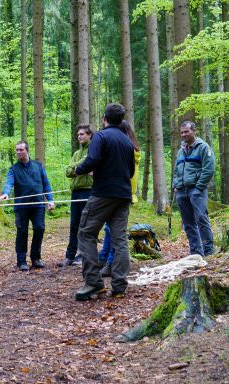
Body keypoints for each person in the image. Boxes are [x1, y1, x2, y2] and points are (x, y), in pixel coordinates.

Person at [73, 103, 135, 300]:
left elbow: (92, 159)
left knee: (85, 233)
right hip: (123, 196)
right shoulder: (127, 141)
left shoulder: (100, 136)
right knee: (120, 239)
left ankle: (93, 283)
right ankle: (119, 286)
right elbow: (131, 171)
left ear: (104, 119)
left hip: (103, 194)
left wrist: (79, 170)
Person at [0, 141, 55, 271]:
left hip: (38, 205)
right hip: (21, 207)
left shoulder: (38, 166)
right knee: (22, 232)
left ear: (27, 150)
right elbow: (9, 183)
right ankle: (21, 261)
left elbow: (46, 184)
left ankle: (36, 258)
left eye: (21, 150)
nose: (18, 152)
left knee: (40, 228)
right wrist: (6, 193)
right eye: (17, 150)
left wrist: (50, 200)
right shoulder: (13, 169)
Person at [99, 120, 141, 277]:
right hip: (123, 192)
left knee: (114, 232)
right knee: (110, 230)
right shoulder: (131, 149)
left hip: (119, 193)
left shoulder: (126, 150)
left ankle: (111, 263)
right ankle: (104, 258)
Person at [172, 121, 215, 256]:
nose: (183, 134)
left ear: (194, 131)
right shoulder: (181, 151)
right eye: (182, 132)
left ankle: (208, 251)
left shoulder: (203, 148)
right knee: (188, 223)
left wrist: (199, 187)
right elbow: (176, 170)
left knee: (201, 219)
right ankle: (196, 252)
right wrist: (175, 185)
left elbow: (209, 169)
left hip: (197, 190)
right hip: (181, 191)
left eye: (186, 131)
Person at [61, 125, 94, 267]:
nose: (79, 136)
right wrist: (81, 166)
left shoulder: (94, 150)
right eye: (78, 134)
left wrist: (77, 166)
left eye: (82, 134)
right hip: (76, 191)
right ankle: (70, 255)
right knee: (74, 224)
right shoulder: (76, 153)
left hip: (89, 190)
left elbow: (89, 162)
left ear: (89, 135)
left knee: (85, 224)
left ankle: (83, 254)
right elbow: (68, 172)